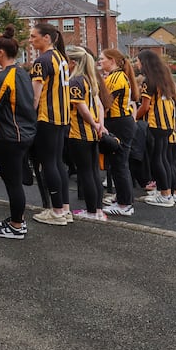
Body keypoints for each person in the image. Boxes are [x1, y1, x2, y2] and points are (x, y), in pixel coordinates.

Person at [0, 26, 37, 239]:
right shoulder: (24, 73)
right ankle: (18, 219)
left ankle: (16, 225)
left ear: (1, 52)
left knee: (12, 181)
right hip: (25, 133)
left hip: (9, 136)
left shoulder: (2, 78)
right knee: (15, 180)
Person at [29, 23, 71, 226]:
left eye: (33, 36)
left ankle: (55, 211)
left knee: (49, 164)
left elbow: (34, 97)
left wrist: (27, 115)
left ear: (47, 38)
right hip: (62, 117)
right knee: (57, 162)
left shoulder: (42, 61)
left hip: (47, 117)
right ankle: (64, 208)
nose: (30, 40)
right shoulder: (61, 58)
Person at [65, 46, 108, 220]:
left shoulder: (75, 81)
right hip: (92, 133)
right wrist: (100, 125)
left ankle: (91, 211)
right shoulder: (90, 80)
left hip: (79, 132)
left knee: (86, 173)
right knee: (93, 171)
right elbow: (99, 105)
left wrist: (94, 123)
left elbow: (82, 108)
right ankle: (97, 209)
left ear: (74, 62)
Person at [99, 48, 139, 216]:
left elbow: (106, 104)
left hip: (119, 123)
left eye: (102, 58)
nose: (100, 61)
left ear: (112, 61)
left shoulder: (116, 78)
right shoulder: (119, 76)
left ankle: (124, 204)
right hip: (122, 122)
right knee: (118, 165)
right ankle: (123, 199)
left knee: (119, 164)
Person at [137, 50, 176, 207]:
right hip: (167, 124)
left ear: (145, 62)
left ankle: (165, 195)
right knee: (164, 159)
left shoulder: (149, 81)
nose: (137, 64)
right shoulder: (164, 79)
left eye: (139, 61)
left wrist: (134, 117)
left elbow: (145, 106)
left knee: (157, 160)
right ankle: (166, 191)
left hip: (155, 124)